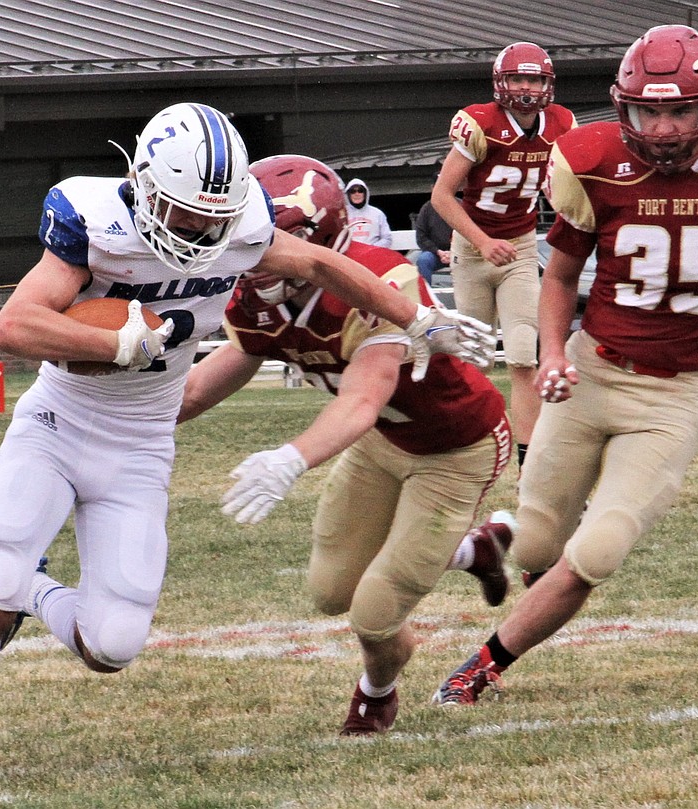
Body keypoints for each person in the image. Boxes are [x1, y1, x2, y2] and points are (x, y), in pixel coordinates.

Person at [0, 104, 497, 784]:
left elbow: (317, 261)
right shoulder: (94, 219)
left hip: (141, 446)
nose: (203, 229)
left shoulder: (238, 227)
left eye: (216, 217)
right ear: (150, 185)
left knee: (113, 646)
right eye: (189, 213)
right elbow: (14, 326)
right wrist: (113, 342)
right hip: (59, 424)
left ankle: (37, 591)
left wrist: (419, 315)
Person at [431, 24, 698, 707]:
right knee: (537, 547)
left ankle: (480, 666)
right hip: (593, 372)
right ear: (625, 106)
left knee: (599, 550)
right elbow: (559, 278)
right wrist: (554, 351)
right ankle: (501, 537)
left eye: (680, 110)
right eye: (649, 109)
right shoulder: (590, 158)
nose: (665, 127)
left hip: (676, 394)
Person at [178, 155, 513, 735]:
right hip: (384, 441)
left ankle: (375, 691)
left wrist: (291, 459)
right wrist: (136, 425)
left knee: (376, 614)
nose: (250, 251)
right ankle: (474, 550)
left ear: (318, 235)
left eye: (267, 235)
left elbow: (362, 397)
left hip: (456, 448)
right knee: (330, 592)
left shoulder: (380, 281)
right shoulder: (259, 296)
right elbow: (222, 370)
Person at [431, 41, 578, 471]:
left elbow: (564, 182)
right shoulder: (479, 124)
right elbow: (441, 195)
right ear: (502, 82)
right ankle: (468, 446)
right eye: (519, 78)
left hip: (519, 246)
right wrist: (480, 242)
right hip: (473, 251)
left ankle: (528, 457)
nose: (527, 87)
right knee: (471, 361)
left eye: (534, 78)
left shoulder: (561, 124)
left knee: (521, 353)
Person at [343, 178, 393, 248]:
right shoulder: (342, 214)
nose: (357, 194)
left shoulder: (377, 213)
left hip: (372, 253)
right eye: (352, 191)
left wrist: (371, 248)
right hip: (348, 255)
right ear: (348, 194)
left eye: (360, 191)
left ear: (365, 193)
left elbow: (387, 239)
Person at [413, 197, 453, 284]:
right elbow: (421, 237)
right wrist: (438, 251)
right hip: (434, 254)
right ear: (432, 188)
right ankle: (427, 294)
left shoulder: (461, 205)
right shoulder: (427, 209)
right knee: (423, 260)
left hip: (458, 253)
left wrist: (453, 253)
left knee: (472, 260)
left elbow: (468, 235)